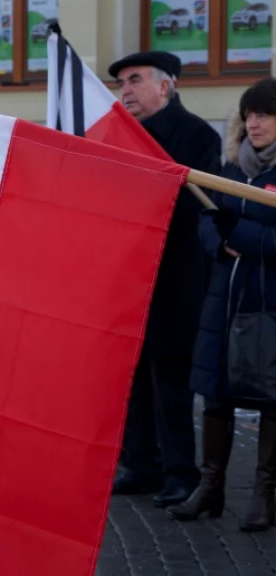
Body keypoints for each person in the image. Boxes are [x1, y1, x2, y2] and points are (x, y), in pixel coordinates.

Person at [107, 51, 222, 507]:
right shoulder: (122, 137)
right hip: (129, 276)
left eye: (135, 80)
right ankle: (140, 463)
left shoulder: (195, 134)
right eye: (121, 85)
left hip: (176, 276)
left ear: (166, 86)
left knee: (170, 377)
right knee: (131, 375)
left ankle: (180, 471)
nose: (126, 91)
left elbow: (196, 206)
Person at [167, 78, 276, 532]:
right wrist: (216, 240)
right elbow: (208, 221)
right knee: (216, 393)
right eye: (249, 114)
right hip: (222, 300)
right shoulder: (231, 170)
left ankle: (264, 495)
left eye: (265, 114)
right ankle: (210, 487)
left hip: (268, 302)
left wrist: (237, 234)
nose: (255, 123)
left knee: (272, 396)